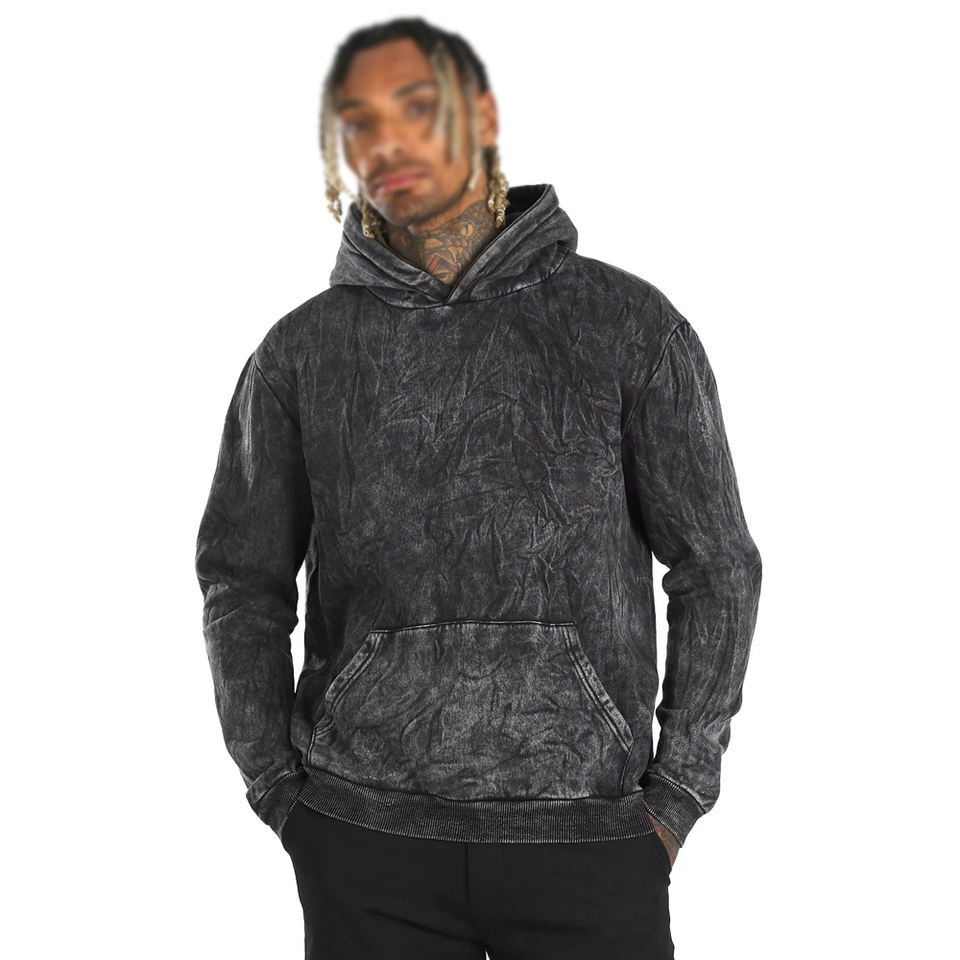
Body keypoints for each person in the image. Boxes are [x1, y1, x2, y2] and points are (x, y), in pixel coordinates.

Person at [195, 15, 762, 960]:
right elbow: (241, 581)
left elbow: (718, 566)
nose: (388, 143)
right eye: (359, 122)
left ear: (484, 116)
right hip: (364, 838)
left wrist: (678, 795)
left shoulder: (627, 324)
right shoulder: (301, 352)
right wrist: (277, 791)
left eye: (417, 107)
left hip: (590, 838)